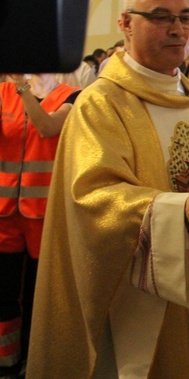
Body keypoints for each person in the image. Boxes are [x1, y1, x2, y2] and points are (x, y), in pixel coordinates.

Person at [27, 0, 189, 378]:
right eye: (160, 16)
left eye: (186, 18)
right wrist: (179, 210)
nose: (177, 29)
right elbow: (92, 198)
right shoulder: (101, 103)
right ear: (125, 24)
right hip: (138, 291)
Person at [0, 74, 78, 377]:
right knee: (4, 295)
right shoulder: (3, 92)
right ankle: (6, 362)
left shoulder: (72, 95)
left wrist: (21, 88)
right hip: (5, 213)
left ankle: (35, 364)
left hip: (44, 214)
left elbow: (47, 129)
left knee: (38, 296)